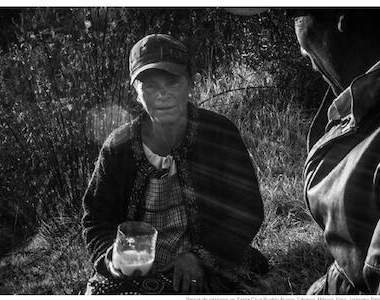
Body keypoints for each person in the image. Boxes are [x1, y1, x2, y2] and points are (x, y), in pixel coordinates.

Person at [82, 33, 267, 295]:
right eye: (149, 86)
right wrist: (113, 259)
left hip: (208, 255)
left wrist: (199, 256)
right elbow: (96, 220)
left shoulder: (219, 133)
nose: (162, 95)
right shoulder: (118, 147)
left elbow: (247, 210)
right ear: (135, 92)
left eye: (172, 82)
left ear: (190, 83)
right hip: (137, 266)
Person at [233, 8, 380, 294]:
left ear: (343, 18)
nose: (302, 51)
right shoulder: (360, 106)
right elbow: (355, 264)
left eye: (295, 13)